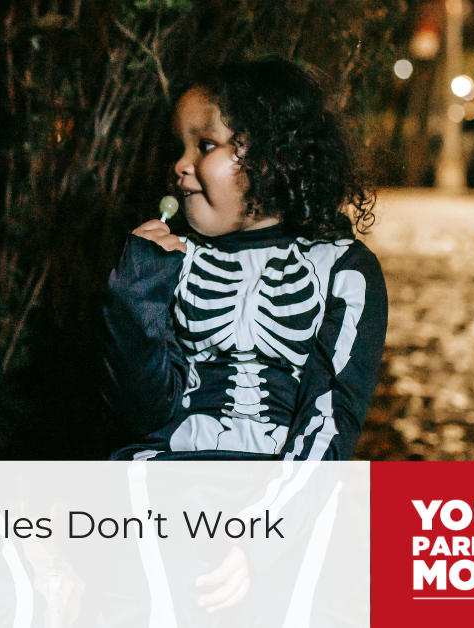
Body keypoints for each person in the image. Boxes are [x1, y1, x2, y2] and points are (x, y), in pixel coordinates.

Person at [103, 58, 387, 460]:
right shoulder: (171, 263)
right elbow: (141, 415)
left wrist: (279, 511)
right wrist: (135, 296)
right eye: (179, 148)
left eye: (204, 145)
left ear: (272, 154)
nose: (180, 165)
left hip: (287, 498)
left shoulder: (342, 270)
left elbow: (331, 420)